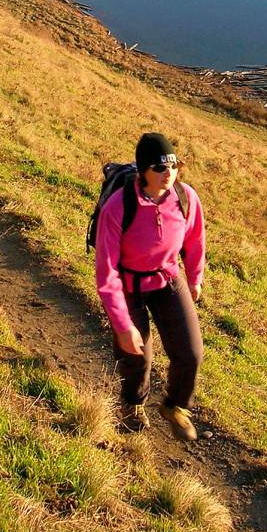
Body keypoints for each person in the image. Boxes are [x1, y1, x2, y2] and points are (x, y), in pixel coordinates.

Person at [94, 132, 205, 440]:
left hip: (168, 278)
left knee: (191, 352)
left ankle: (175, 406)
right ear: (143, 170)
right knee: (137, 355)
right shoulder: (118, 206)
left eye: (173, 165)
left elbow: (195, 240)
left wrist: (194, 278)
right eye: (159, 167)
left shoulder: (185, 197)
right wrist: (122, 324)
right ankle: (132, 404)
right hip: (128, 283)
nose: (168, 173)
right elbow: (106, 273)